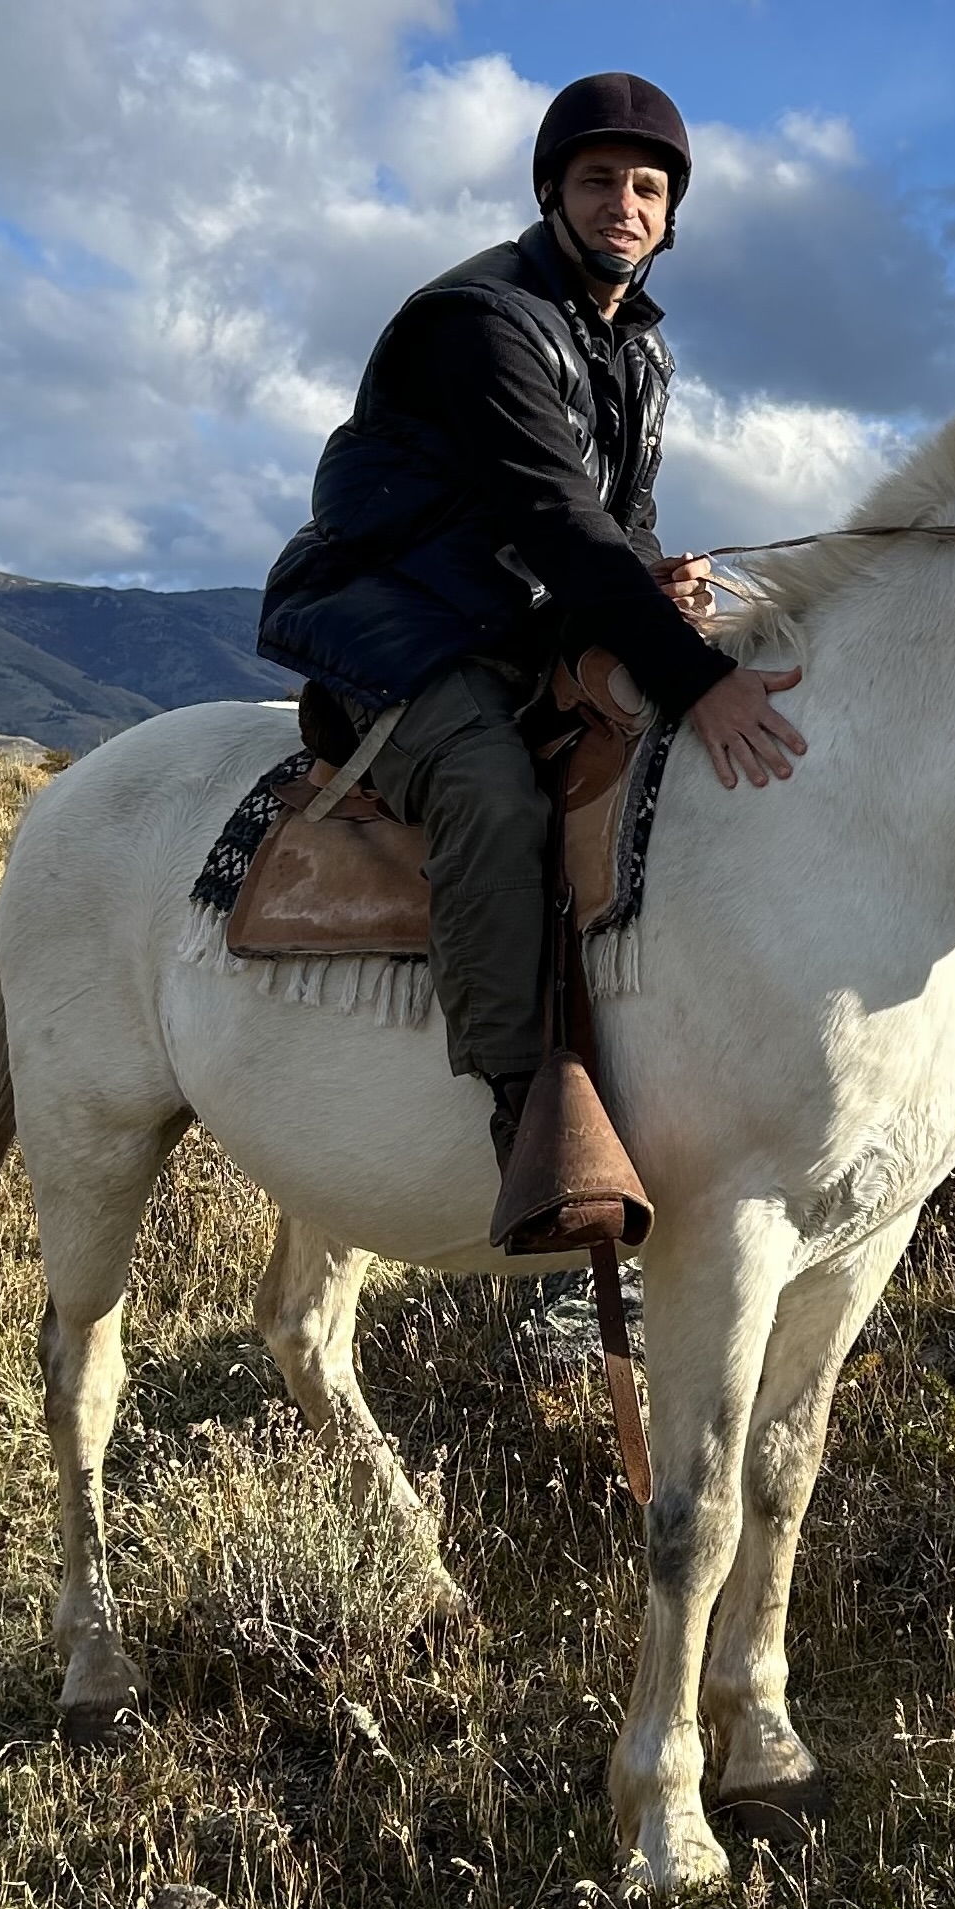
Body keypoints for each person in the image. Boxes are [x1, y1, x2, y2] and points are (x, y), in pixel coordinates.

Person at [256, 72, 808, 1183]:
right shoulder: (481, 321)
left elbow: (618, 521)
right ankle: (526, 1116)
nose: (624, 206)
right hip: (402, 620)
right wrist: (699, 677)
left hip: (521, 619)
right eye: (599, 181)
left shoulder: (638, 349)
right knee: (491, 789)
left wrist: (659, 583)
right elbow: (557, 520)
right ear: (552, 190)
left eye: (648, 189)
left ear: (671, 214)